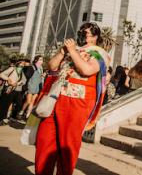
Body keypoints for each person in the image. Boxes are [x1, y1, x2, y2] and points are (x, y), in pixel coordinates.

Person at [35, 22, 110, 175]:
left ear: (95, 37)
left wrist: (72, 51)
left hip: (77, 101)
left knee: (67, 143)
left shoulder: (100, 53)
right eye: (81, 32)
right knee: (44, 140)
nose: (82, 36)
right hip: (55, 98)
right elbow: (52, 66)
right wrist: (62, 52)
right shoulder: (71, 50)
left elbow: (87, 69)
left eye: (86, 34)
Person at [0, 57, 27, 124]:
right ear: (18, 63)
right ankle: (1, 118)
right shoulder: (12, 68)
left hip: (13, 89)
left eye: (24, 64)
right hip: (7, 88)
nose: (23, 65)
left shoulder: (20, 71)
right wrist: (8, 79)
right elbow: (1, 74)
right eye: (22, 63)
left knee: (7, 104)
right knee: (4, 104)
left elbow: (23, 80)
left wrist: (18, 83)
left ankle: (3, 118)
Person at [20, 55, 44, 119]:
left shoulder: (41, 68)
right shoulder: (31, 67)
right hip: (30, 86)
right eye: (40, 59)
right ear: (36, 60)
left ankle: (27, 115)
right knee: (28, 101)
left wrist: (42, 76)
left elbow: (40, 78)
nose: (42, 61)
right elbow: (27, 76)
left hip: (37, 87)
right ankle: (21, 111)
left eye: (42, 60)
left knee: (32, 102)